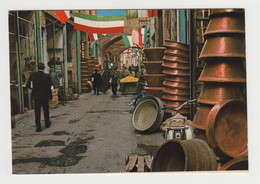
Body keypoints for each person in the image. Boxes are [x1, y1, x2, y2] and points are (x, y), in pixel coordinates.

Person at [26, 62, 52, 132]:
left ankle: (38, 127)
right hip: (45, 96)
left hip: (36, 96)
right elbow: (49, 87)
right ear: (43, 68)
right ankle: (47, 123)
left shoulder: (33, 75)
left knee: (37, 111)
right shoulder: (47, 76)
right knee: (46, 110)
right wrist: (50, 96)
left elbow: (27, 85)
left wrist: (33, 89)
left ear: (38, 68)